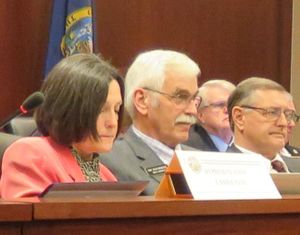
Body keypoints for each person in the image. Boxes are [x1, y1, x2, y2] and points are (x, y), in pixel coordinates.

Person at [0, 53, 124, 198]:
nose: (113, 123)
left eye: (116, 110)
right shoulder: (31, 154)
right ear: (69, 107)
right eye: (102, 110)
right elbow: (29, 217)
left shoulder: (106, 175)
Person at [102, 49, 201, 195]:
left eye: (195, 99)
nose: (193, 110)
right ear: (142, 101)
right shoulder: (110, 160)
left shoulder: (202, 159)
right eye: (180, 97)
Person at [227, 77, 299, 173]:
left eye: (288, 114)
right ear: (239, 117)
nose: (283, 123)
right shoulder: (214, 172)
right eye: (272, 112)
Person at [184, 79, 235, 152]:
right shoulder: (187, 148)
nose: (227, 110)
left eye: (231, 104)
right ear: (200, 115)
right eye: (220, 105)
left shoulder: (249, 145)